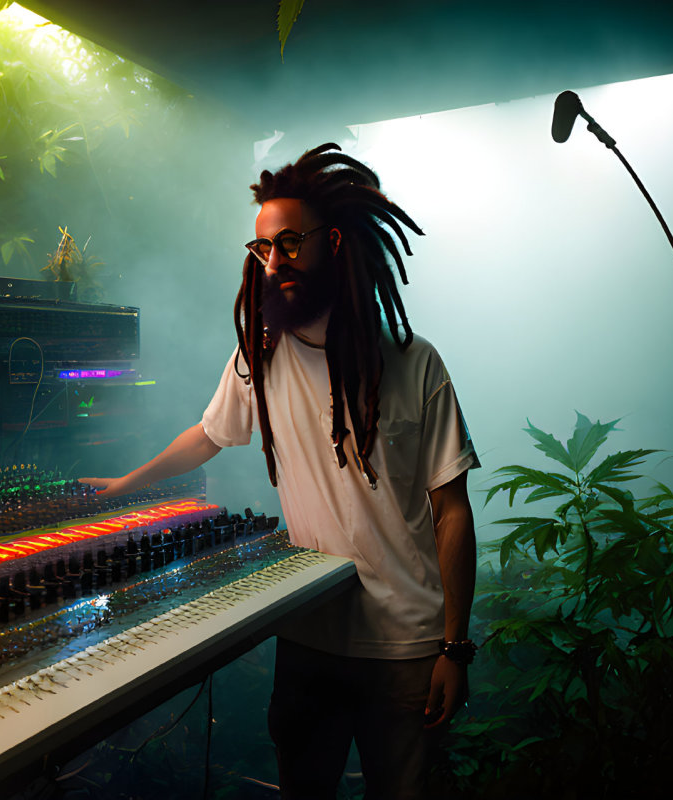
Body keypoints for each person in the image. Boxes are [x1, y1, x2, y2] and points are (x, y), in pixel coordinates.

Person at [81, 143, 479, 800]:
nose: (274, 262)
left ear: (337, 242)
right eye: (263, 248)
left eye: (290, 243)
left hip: (406, 651)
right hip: (307, 641)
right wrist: (126, 485)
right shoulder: (260, 358)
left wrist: (453, 647)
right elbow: (209, 436)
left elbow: (453, 510)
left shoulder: (416, 363)